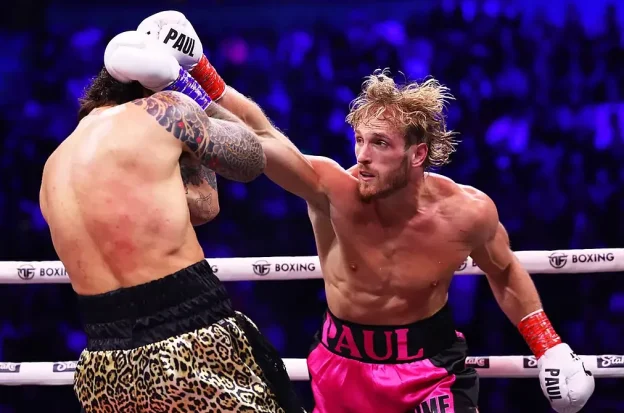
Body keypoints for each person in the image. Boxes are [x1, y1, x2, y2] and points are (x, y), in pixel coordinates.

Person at [139, 12, 596, 413]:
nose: (362, 155)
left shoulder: (467, 212)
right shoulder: (331, 189)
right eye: (359, 140)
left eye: (380, 144)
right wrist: (192, 74)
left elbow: (505, 270)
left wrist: (549, 347)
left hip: (431, 368)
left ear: (417, 155)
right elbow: (259, 134)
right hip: (343, 368)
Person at [39, 30, 304, 413]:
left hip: (104, 366)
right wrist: (185, 86)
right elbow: (250, 158)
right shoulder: (165, 110)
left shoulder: (55, 163)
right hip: (190, 340)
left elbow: (201, 206)